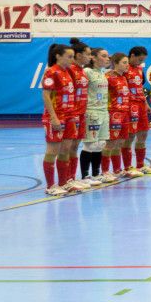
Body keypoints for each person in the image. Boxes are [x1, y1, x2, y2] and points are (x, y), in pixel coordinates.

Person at [40, 44, 76, 195]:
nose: (72, 59)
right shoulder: (51, 72)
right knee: (52, 150)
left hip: (69, 116)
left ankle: (63, 183)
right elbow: (46, 96)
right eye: (69, 56)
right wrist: (54, 118)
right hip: (56, 117)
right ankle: (50, 186)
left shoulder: (67, 71)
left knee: (66, 149)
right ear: (58, 56)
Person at [64, 38, 91, 191]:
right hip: (71, 114)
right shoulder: (70, 70)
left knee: (75, 147)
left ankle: (71, 178)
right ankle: (66, 180)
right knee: (68, 148)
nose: (90, 57)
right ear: (79, 55)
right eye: (87, 54)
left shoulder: (81, 70)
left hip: (81, 113)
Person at [81, 48, 110, 185]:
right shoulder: (87, 72)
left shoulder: (102, 73)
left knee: (101, 144)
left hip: (103, 111)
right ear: (93, 57)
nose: (107, 58)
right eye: (104, 56)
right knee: (90, 145)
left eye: (107, 56)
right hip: (92, 111)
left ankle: (96, 174)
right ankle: (85, 176)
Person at [105, 53, 133, 180]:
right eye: (124, 62)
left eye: (127, 62)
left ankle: (117, 170)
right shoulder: (108, 77)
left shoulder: (124, 77)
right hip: (114, 113)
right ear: (115, 63)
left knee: (120, 142)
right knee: (110, 143)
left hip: (125, 113)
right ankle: (104, 171)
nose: (127, 65)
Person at [125, 46, 151, 175]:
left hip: (141, 105)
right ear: (132, 55)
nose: (141, 62)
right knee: (130, 136)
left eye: (143, 60)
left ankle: (141, 166)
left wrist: (146, 103)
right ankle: (127, 168)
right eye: (139, 59)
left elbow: (140, 88)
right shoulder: (124, 68)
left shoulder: (139, 70)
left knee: (143, 134)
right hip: (130, 106)